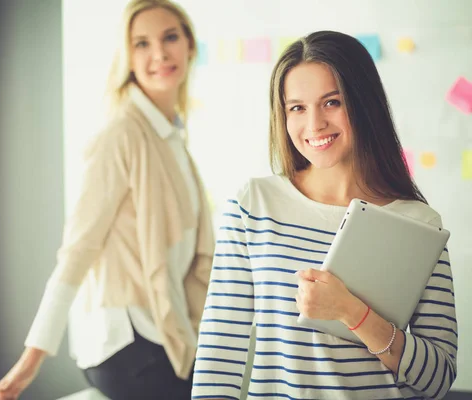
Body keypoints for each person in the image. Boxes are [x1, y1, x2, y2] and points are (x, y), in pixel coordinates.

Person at [192, 31, 457, 400]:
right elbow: (219, 354)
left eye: (331, 102)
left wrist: (352, 313)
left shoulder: (420, 223)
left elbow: (439, 377)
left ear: (363, 103)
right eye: (297, 107)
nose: (314, 124)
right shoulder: (253, 205)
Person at [0, 1, 214, 399]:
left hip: (168, 332)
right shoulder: (120, 136)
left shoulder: (173, 138)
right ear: (127, 57)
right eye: (142, 43)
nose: (159, 53)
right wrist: (31, 359)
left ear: (190, 46)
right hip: (126, 343)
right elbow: (78, 249)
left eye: (169, 37)